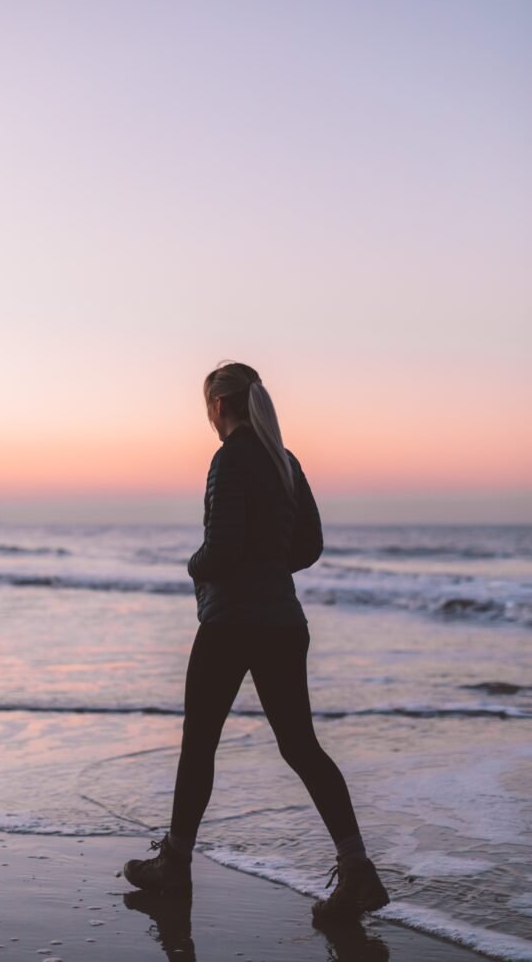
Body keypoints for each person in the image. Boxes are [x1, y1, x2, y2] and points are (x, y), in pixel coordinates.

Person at [123, 362, 389, 924]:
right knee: (301, 747)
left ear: (219, 405)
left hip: (230, 624)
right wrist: (271, 568)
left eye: (206, 407)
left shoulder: (230, 457)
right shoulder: (283, 459)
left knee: (199, 746)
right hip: (284, 624)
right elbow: (310, 544)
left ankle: (175, 864)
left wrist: (193, 565)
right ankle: (358, 867)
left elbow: (220, 549)